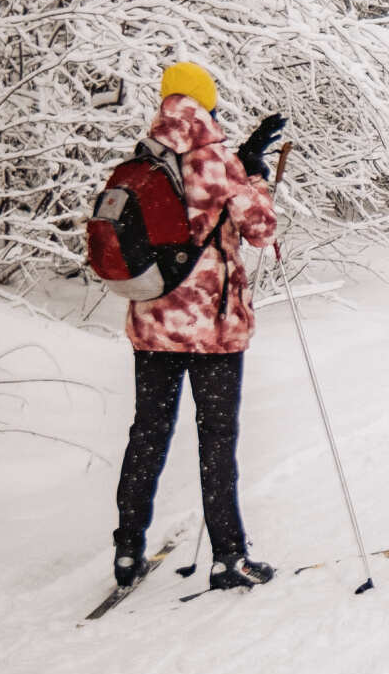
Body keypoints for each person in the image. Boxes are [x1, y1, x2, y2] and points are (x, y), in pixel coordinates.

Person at [112, 61, 285, 590]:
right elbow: (261, 228)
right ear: (207, 104)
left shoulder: (143, 160)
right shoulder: (218, 163)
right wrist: (252, 171)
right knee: (216, 439)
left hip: (153, 325)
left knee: (148, 433)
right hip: (213, 330)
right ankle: (228, 556)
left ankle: (126, 549)